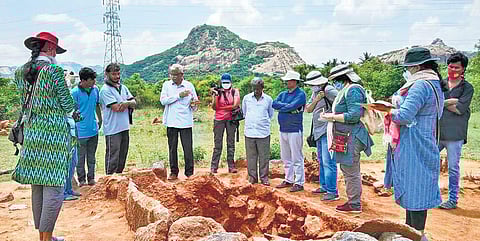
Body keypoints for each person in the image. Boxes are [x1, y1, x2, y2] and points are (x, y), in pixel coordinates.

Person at [12, 32, 75, 241]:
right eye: (55, 48)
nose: (56, 52)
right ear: (50, 48)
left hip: (31, 133)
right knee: (55, 188)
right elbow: (67, 105)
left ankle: (44, 236)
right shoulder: (54, 70)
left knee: (37, 185)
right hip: (54, 136)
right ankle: (46, 239)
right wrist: (79, 115)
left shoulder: (21, 71)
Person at [387, 47, 446, 237]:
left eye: (409, 67)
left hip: (414, 142)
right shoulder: (434, 84)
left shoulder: (420, 85)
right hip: (426, 139)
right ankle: (411, 231)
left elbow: (404, 115)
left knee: (414, 187)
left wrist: (387, 110)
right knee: (418, 187)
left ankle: (415, 234)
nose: (408, 71)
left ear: (417, 66)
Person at [321, 64, 374, 213]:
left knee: (351, 170)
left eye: (336, 80)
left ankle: (354, 203)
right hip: (345, 136)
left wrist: (331, 117)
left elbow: (353, 115)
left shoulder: (353, 90)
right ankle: (353, 200)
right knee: (347, 168)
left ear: (341, 78)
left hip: (352, 136)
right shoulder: (346, 90)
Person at [438, 52, 474, 209]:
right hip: (438, 133)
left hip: (455, 135)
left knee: (453, 168)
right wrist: (451, 102)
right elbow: (434, 104)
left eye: (456, 67)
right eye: (450, 66)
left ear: (463, 69)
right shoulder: (441, 84)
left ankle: (452, 200)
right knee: (429, 162)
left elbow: (460, 109)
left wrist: (442, 104)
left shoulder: (467, 88)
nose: (452, 69)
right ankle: (432, 196)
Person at [304, 71, 339, 201]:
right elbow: (308, 109)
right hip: (318, 131)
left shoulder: (329, 90)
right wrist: (317, 99)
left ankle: (332, 191)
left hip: (328, 130)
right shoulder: (315, 93)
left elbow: (341, 103)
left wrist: (332, 115)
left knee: (328, 161)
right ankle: (324, 186)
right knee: (321, 159)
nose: (312, 87)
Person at [160, 64, 199, 180]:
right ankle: (173, 172)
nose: (174, 77)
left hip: (185, 122)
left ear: (182, 75)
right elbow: (163, 101)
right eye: (172, 75)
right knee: (172, 148)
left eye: (176, 75)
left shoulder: (189, 85)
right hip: (171, 121)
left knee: (187, 148)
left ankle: (189, 172)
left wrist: (194, 104)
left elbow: (195, 104)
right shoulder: (166, 85)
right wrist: (179, 95)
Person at [272, 70, 307, 192]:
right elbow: (274, 104)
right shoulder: (283, 94)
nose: (286, 82)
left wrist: (285, 108)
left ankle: (299, 182)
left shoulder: (301, 94)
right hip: (283, 129)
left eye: (288, 80)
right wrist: (287, 108)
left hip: (294, 129)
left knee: (296, 156)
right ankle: (289, 179)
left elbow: (291, 106)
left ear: (294, 81)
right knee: (286, 157)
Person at [99, 63, 136, 175]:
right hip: (112, 129)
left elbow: (134, 103)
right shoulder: (105, 90)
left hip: (124, 126)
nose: (117, 76)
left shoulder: (123, 88)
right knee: (113, 156)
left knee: (122, 155)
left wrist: (127, 103)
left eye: (118, 74)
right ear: (107, 74)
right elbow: (116, 108)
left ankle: (119, 180)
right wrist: (128, 103)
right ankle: (109, 180)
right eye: (114, 74)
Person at [72, 67, 102, 186]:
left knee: (91, 156)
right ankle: (82, 180)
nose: (94, 81)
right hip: (80, 131)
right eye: (91, 79)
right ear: (83, 80)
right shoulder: (75, 93)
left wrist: (100, 120)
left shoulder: (95, 90)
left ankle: (91, 178)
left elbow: (97, 105)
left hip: (93, 129)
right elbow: (71, 111)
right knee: (80, 157)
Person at [242, 77, 274, 185]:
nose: (256, 91)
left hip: (263, 132)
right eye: (254, 88)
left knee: (264, 156)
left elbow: (270, 114)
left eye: (258, 88)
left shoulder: (268, 99)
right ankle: (252, 177)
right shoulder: (246, 98)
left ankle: (264, 177)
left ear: (262, 88)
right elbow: (245, 113)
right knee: (251, 156)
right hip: (250, 132)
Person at [210, 73, 241, 174]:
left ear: (231, 82)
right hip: (219, 120)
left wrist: (222, 108)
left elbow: (235, 104)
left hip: (231, 119)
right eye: (224, 82)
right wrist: (215, 95)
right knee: (217, 144)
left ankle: (231, 166)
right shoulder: (218, 92)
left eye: (227, 82)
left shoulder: (234, 91)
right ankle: (214, 167)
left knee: (230, 143)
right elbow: (214, 107)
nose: (225, 84)